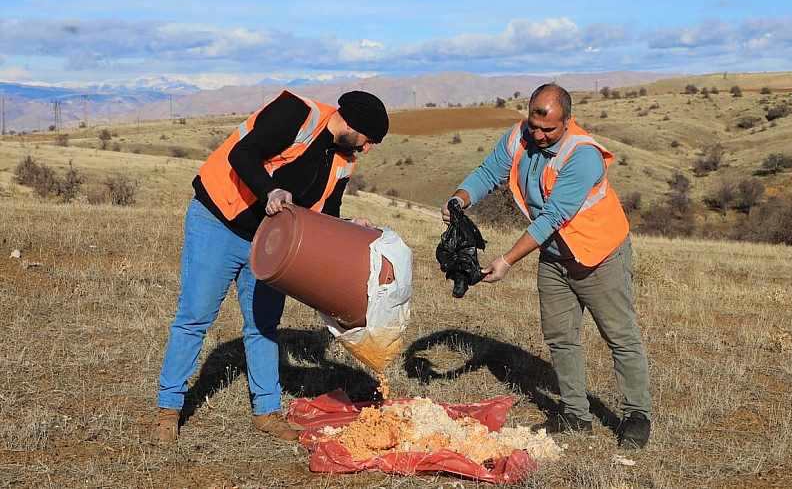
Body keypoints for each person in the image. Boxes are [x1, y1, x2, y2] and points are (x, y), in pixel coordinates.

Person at [151, 89, 390, 443]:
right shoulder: (296, 113)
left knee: (263, 325)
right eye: (368, 140)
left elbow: (326, 216)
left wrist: (351, 227)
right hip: (219, 221)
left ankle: (267, 412)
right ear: (353, 123)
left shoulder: (344, 161)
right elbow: (242, 153)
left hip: (271, 242)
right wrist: (270, 191)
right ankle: (168, 409)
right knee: (195, 317)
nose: (366, 149)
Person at [440, 84, 652, 449]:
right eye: (533, 126)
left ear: (567, 121)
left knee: (620, 337)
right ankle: (575, 415)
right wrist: (460, 199)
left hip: (599, 257)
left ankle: (636, 415)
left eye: (547, 129)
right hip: (555, 257)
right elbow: (489, 172)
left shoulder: (583, 156)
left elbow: (553, 217)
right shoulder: (520, 135)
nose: (537, 135)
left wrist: (506, 260)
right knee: (560, 336)